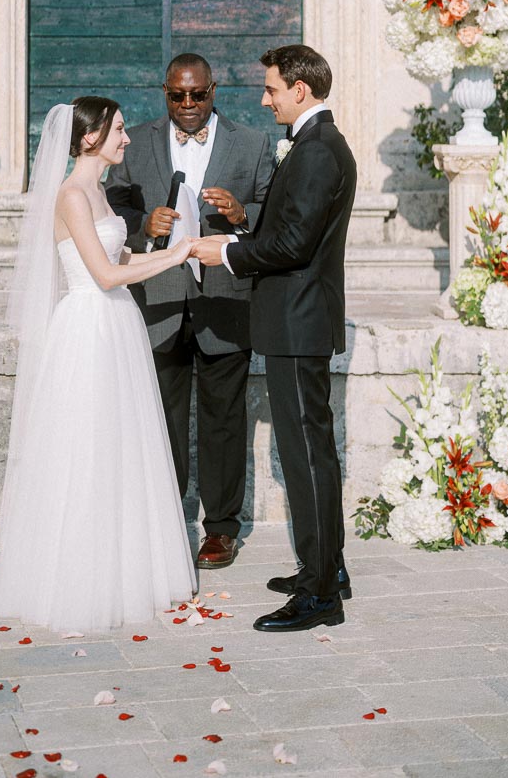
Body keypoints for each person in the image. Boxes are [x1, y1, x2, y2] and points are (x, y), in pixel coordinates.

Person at [0, 97, 198, 633]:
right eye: (119, 131)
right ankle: (79, 578)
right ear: (89, 139)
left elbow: (122, 259)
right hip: (88, 325)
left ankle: (125, 567)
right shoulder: (71, 195)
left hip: (117, 324)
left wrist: (182, 248)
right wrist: (173, 258)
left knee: (120, 446)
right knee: (84, 448)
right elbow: (102, 275)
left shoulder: (98, 193)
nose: (127, 139)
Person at [194, 44, 356, 633]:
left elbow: (293, 247)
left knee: (306, 456)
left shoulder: (315, 152)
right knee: (313, 452)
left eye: (271, 90)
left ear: (300, 91)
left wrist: (227, 252)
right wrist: (243, 222)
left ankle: (318, 596)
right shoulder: (314, 146)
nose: (264, 100)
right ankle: (326, 569)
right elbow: (288, 226)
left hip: (297, 322)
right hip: (298, 320)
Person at [105, 54, 273, 569]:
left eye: (197, 94)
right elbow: (110, 207)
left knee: (224, 422)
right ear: (164, 93)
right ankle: (164, 522)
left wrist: (244, 214)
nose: (188, 105)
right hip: (158, 303)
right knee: (161, 421)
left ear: (214, 91)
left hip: (225, 301)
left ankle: (221, 529)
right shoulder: (136, 141)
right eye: (177, 96)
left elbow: (276, 212)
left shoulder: (253, 143)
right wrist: (143, 225)